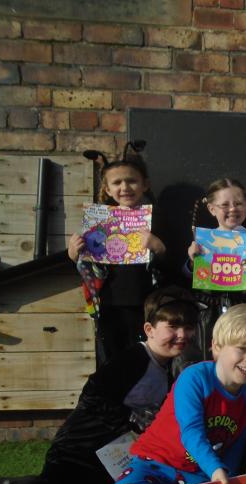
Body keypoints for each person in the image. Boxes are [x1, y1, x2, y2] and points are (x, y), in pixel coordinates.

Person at [0, 287, 198, 484]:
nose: (182, 334)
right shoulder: (133, 359)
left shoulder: (168, 368)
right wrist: (130, 423)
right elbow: (93, 395)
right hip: (79, 453)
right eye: (173, 327)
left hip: (115, 460)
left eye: (188, 327)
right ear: (149, 329)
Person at [93, 303, 246, 484]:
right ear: (217, 346)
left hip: (198, 474)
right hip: (155, 462)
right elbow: (191, 432)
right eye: (242, 348)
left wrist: (228, 482)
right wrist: (216, 469)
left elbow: (236, 445)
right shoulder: (195, 378)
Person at [68, 142, 167, 365]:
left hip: (146, 302)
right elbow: (87, 266)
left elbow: (169, 264)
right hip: (108, 301)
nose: (125, 187)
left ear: (145, 184)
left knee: (146, 358)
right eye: (117, 182)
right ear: (107, 189)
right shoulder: (98, 221)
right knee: (112, 359)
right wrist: (74, 254)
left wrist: (159, 247)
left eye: (131, 180)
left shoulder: (156, 219)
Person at [181, 177, 246, 371]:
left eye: (238, 203)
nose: (233, 209)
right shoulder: (204, 241)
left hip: (241, 310)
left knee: (239, 356)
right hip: (209, 311)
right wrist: (193, 261)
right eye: (225, 205)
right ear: (212, 209)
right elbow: (187, 275)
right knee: (210, 357)